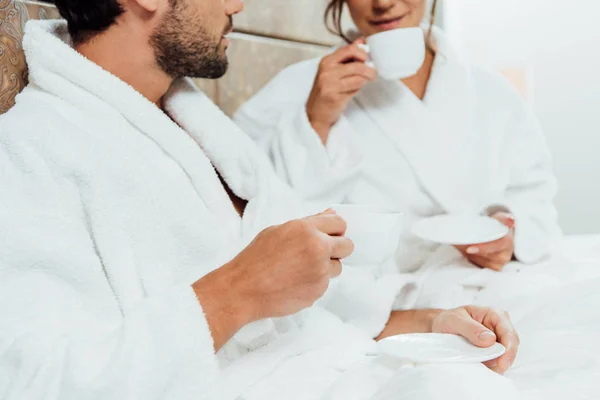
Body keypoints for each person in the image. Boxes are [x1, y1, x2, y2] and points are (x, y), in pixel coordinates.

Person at [0, 1, 522, 399]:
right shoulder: (31, 152)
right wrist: (237, 291)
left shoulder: (197, 126)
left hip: (335, 365)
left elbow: (310, 305)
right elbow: (35, 380)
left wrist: (430, 323)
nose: (238, 4)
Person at [234, 0, 562, 273]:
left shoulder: (492, 91)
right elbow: (251, 214)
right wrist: (316, 120)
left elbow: (535, 199)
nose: (383, 3)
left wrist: (508, 236)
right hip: (373, 308)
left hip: (492, 284)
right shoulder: (298, 89)